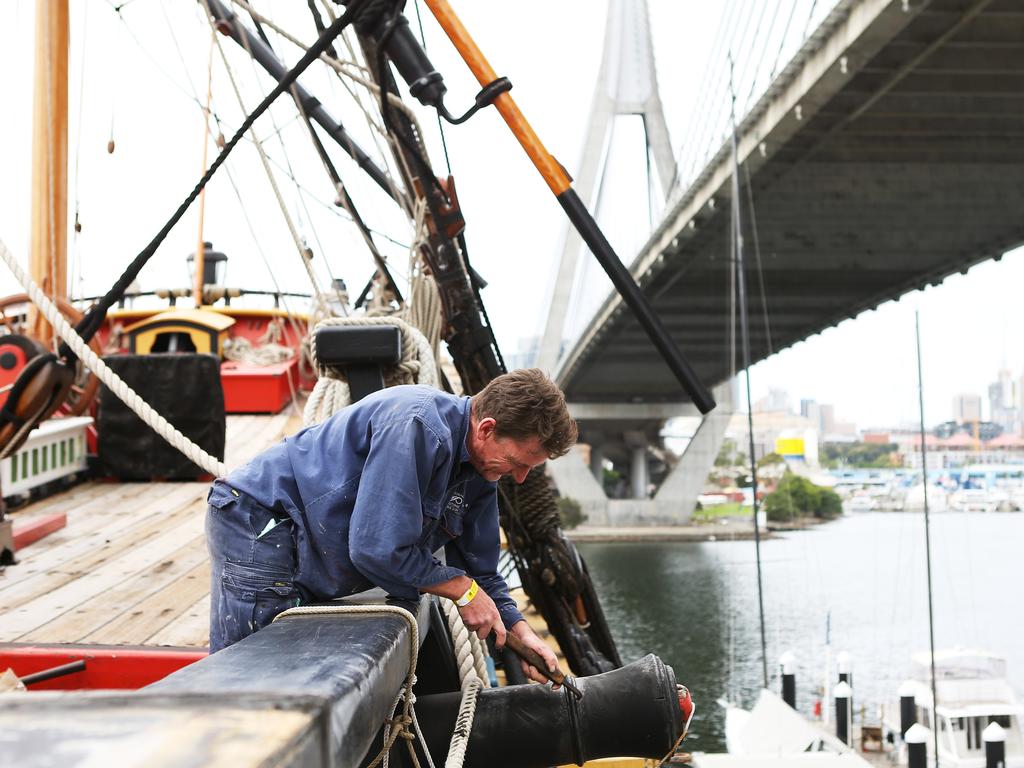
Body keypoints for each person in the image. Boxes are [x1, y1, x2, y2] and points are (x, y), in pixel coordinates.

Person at [205, 367, 577, 686]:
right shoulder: (417, 425)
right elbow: (376, 549)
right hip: (262, 520)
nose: (522, 478)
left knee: (293, 673)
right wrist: (462, 591)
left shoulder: (483, 471)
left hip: (310, 543)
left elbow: (482, 573)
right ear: (486, 428)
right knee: (252, 678)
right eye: (518, 461)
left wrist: (520, 632)